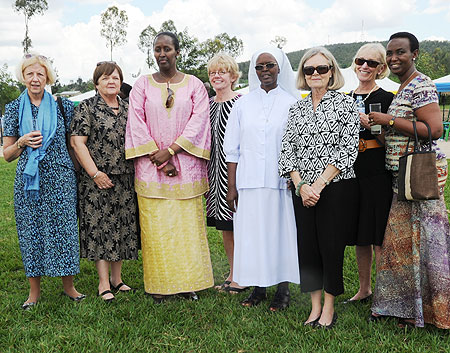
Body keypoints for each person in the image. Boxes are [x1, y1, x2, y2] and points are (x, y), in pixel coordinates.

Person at [369, 32, 450, 329]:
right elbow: (406, 128)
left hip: (418, 178)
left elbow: (434, 129)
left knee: (424, 245)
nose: (393, 58)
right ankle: (407, 310)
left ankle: (432, 313)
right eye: (390, 53)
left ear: (414, 53)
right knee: (403, 247)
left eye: (400, 52)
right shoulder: (404, 86)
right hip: (401, 178)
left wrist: (387, 121)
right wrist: (381, 127)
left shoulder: (422, 84)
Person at [125, 31, 214, 302]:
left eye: (167, 49)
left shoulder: (195, 85)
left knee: (186, 228)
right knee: (156, 228)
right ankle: (160, 286)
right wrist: (159, 157)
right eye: (157, 49)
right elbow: (136, 123)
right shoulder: (141, 85)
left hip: (185, 167)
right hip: (152, 168)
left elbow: (199, 121)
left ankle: (188, 284)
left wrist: (172, 151)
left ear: (177, 52)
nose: (162, 54)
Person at [279, 47, 359, 328]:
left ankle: (328, 308)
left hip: (334, 189)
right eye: (309, 69)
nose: (315, 73)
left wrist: (318, 185)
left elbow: (347, 150)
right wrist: (301, 185)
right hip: (302, 191)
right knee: (308, 248)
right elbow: (287, 149)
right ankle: (313, 308)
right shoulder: (296, 107)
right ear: (302, 74)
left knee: (330, 247)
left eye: (321, 69)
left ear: (332, 72)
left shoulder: (347, 105)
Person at [3, 53, 84, 309]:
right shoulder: (14, 108)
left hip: (61, 178)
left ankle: (69, 287)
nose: (35, 79)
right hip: (29, 181)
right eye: (30, 74)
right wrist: (21, 142)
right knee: (31, 232)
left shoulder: (63, 106)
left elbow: (76, 141)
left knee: (65, 230)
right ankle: (34, 292)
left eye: (40, 74)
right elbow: (7, 154)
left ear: (48, 77)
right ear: (23, 77)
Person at [224, 46, 300, 311]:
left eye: (270, 65)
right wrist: (231, 187)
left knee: (280, 235)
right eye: (259, 66)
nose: (265, 70)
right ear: (254, 71)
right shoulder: (242, 104)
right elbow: (232, 149)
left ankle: (283, 289)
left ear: (280, 67)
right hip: (250, 182)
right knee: (254, 236)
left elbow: (298, 147)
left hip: (281, 184)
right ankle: (258, 287)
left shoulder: (292, 103)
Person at [70, 62, 139, 302]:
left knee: (121, 228)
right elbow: (78, 143)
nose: (111, 81)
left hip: (126, 177)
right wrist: (95, 174)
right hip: (97, 179)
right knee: (101, 229)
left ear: (121, 82)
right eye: (106, 78)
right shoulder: (87, 108)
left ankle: (117, 279)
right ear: (96, 83)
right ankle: (102, 283)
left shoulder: (130, 108)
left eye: (116, 78)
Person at [343, 43, 394, 304]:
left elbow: (392, 143)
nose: (365, 66)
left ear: (381, 68)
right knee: (359, 234)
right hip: (351, 173)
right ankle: (364, 289)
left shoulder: (387, 98)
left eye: (372, 63)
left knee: (378, 236)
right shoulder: (343, 99)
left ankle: (384, 292)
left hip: (377, 173)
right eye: (361, 60)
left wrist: (373, 126)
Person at [205, 53, 244, 293]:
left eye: (222, 71)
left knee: (240, 224)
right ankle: (232, 273)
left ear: (233, 76)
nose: (216, 76)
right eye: (212, 72)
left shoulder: (242, 103)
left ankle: (244, 274)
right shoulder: (207, 105)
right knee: (225, 227)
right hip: (213, 173)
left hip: (237, 173)